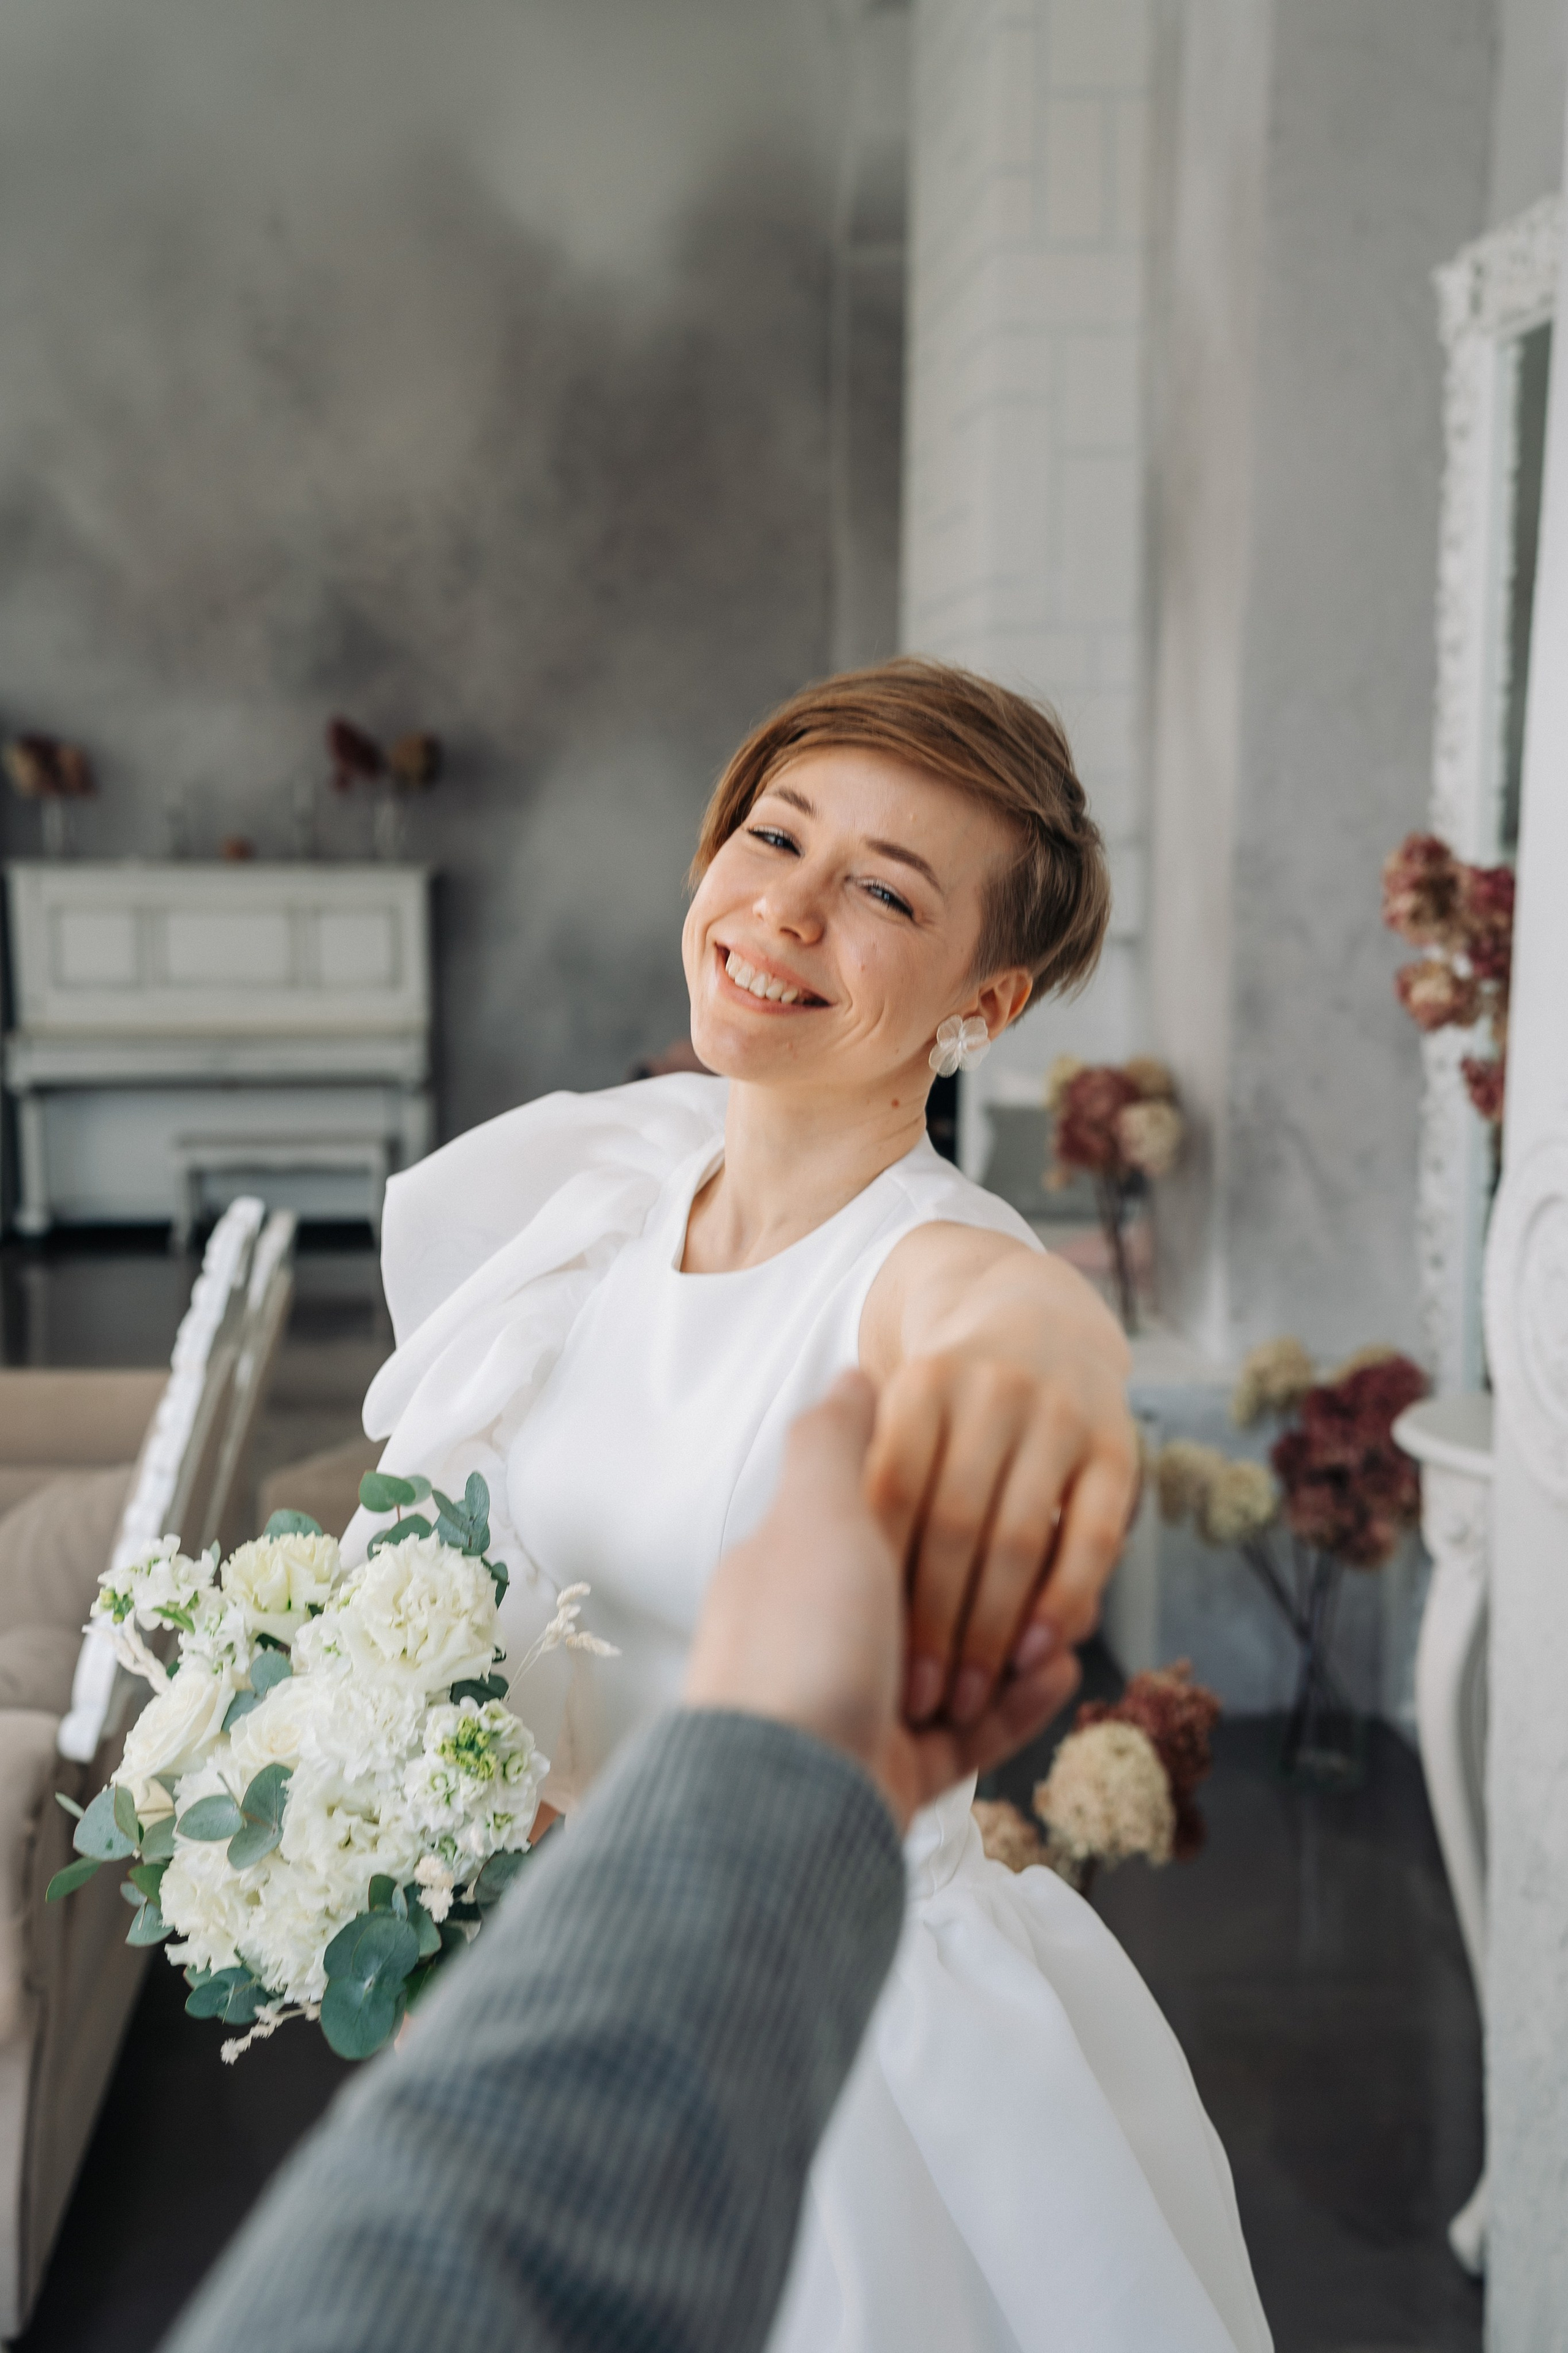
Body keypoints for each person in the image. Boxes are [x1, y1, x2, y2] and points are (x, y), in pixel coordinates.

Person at [347, 659, 1273, 2353]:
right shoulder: (633, 1189)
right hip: (560, 1970)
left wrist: (1053, 1349)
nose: (784, 908)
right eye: (776, 834)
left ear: (980, 1009)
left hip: (816, 2042)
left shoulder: (930, 1261)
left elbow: (1002, 1316)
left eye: (882, 892)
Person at [163, 1376, 1066, 2353]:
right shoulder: (579, 1266)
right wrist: (469, 1952)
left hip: (859, 2000)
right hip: (608, 1941)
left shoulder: (925, 1285)